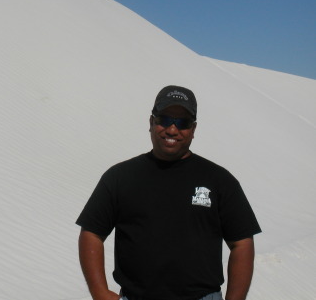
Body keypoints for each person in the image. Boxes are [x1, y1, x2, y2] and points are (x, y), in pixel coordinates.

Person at [76, 85, 261, 300]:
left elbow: (242, 243)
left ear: (193, 129)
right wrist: (99, 292)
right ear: (151, 122)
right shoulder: (120, 177)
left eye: (182, 123)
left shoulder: (219, 180)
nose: (172, 130)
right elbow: (91, 232)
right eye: (164, 119)